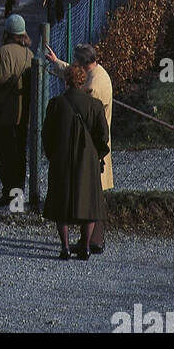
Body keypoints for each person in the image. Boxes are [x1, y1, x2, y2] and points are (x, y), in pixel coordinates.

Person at [45, 41, 113, 253]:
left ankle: (92, 242)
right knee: (91, 197)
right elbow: (74, 77)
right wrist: (57, 63)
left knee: (87, 198)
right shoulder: (97, 73)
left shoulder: (93, 89)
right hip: (92, 151)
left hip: (84, 149)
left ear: (82, 64)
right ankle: (88, 242)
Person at [0, 15, 33, 209]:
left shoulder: (4, 53)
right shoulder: (28, 54)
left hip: (4, 114)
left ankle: (8, 195)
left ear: (7, 33)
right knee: (19, 156)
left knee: (5, 157)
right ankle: (17, 199)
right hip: (23, 115)